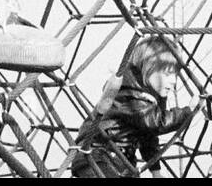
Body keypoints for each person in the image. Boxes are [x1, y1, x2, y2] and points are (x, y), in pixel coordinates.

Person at [70, 37, 194, 178]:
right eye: (167, 74)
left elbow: (148, 137)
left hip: (122, 161)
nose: (173, 81)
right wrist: (187, 112)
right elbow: (156, 123)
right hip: (96, 155)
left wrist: (156, 171)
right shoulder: (129, 93)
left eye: (175, 74)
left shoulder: (149, 98)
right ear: (148, 68)